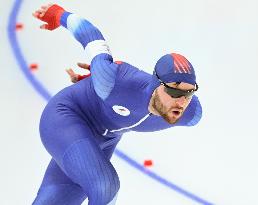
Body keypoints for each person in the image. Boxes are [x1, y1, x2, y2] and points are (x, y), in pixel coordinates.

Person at [32, 3, 202, 205]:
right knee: (105, 186)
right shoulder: (113, 82)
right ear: (156, 85)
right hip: (66, 117)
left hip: (103, 140)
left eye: (189, 92)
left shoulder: (190, 113)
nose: (181, 101)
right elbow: (92, 36)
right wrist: (58, 14)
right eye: (174, 90)